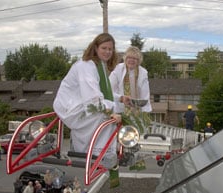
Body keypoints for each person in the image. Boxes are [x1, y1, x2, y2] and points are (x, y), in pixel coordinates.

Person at [53, 32, 122, 170]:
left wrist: (120, 99)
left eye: (110, 49)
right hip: (70, 107)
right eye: (104, 48)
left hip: (81, 102)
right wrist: (113, 111)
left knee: (116, 109)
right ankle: (96, 152)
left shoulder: (99, 65)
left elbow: (102, 92)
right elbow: (93, 100)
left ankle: (104, 150)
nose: (108, 51)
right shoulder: (86, 66)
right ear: (95, 48)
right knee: (105, 117)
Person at [109, 46, 152, 114]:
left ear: (139, 61)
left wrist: (145, 112)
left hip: (137, 112)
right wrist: (120, 98)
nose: (131, 60)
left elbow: (145, 95)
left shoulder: (143, 72)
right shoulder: (118, 69)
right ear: (125, 58)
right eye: (129, 57)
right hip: (118, 110)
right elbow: (109, 90)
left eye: (135, 58)